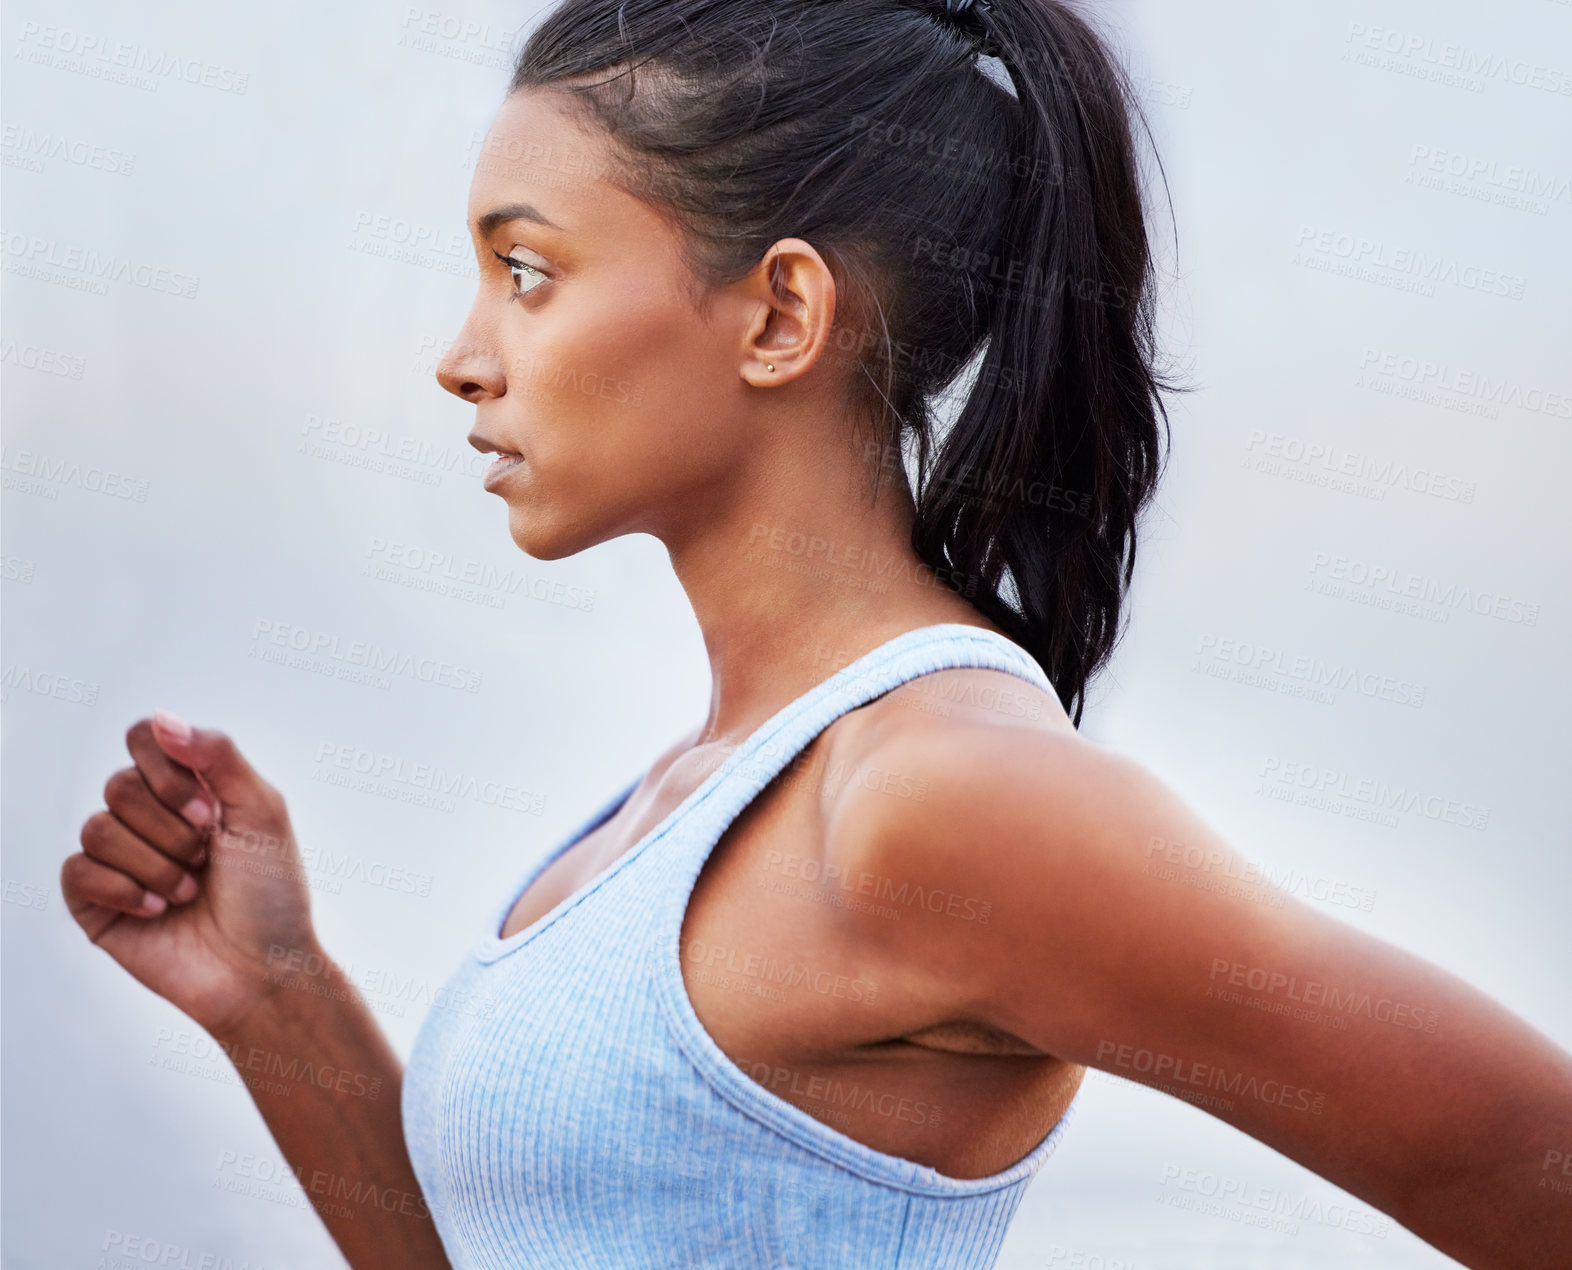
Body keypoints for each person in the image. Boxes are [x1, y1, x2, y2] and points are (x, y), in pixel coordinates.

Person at [62, 1, 1571, 1267]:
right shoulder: (690, 796)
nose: (463, 357)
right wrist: (277, 997)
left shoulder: (940, 801)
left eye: (526, 271)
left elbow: (1526, 1160)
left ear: (781, 315)